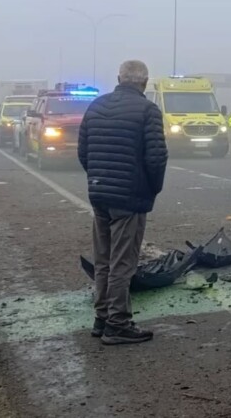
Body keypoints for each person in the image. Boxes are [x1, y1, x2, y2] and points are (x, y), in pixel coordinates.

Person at [78, 60, 168, 345]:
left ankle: (101, 317)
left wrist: (97, 177)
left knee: (103, 259)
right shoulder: (148, 111)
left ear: (119, 78)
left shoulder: (96, 106)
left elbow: (83, 151)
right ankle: (118, 323)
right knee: (122, 263)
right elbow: (156, 157)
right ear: (145, 82)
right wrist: (152, 189)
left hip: (99, 192)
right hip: (129, 196)